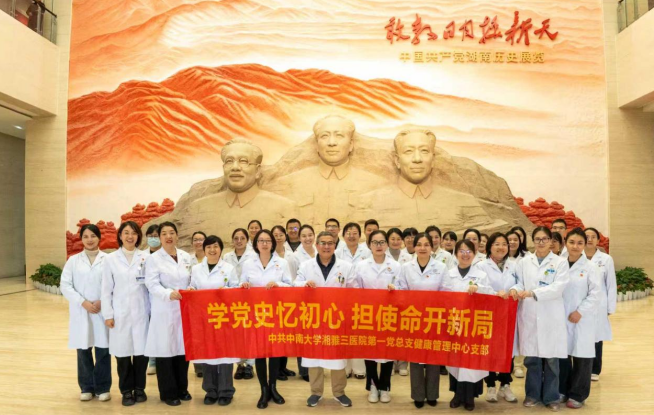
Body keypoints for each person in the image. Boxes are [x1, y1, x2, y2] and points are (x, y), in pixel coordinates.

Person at [509, 226, 570, 412]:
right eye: (537, 239)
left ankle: (551, 397)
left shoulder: (560, 262)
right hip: (529, 314)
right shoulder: (524, 262)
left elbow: (558, 287)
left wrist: (534, 293)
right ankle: (532, 395)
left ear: (551, 241)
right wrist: (515, 289)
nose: (541, 242)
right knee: (532, 359)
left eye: (545, 239)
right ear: (533, 241)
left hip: (551, 315)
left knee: (552, 360)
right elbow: (519, 282)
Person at [294, 231, 355, 408]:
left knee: (337, 358)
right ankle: (315, 392)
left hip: (337, 319)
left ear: (335, 245)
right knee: (314, 357)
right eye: (323, 243)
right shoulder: (306, 266)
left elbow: (354, 290)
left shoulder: (346, 266)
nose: (326, 246)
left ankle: (339, 392)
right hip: (313, 318)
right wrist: (304, 285)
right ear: (317, 245)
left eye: (330, 243)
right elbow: (295, 284)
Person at [240, 229, 292, 409]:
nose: (264, 243)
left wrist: (278, 285)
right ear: (256, 244)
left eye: (267, 240)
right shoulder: (248, 263)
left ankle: (274, 387)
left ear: (272, 243)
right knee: (260, 352)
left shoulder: (282, 263)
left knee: (275, 352)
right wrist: (244, 285)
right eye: (261, 240)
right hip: (256, 314)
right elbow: (240, 284)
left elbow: (290, 285)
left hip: (276, 313)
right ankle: (264, 389)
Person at [61, 224, 111, 402]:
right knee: (83, 350)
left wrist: (102, 301)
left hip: (102, 310)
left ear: (99, 238)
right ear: (81, 239)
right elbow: (65, 285)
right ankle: (86, 387)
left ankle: (103, 387)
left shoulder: (108, 260)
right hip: (81, 311)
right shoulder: (73, 261)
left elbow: (115, 284)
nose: (90, 240)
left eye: (93, 236)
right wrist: (83, 302)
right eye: (85, 236)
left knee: (103, 350)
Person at [144, 222, 193, 406]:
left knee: (182, 350)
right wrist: (167, 294)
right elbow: (151, 283)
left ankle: (182, 388)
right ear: (160, 238)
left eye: (172, 232)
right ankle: (168, 393)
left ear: (177, 236)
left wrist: (191, 288)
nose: (168, 236)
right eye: (164, 233)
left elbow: (192, 278)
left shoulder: (186, 256)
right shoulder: (154, 259)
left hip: (184, 310)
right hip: (164, 309)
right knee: (165, 352)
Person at [443, 239, 495, 411]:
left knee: (471, 361)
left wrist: (478, 288)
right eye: (461, 251)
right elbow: (442, 296)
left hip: (474, 323)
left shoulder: (481, 275)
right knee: (455, 359)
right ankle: (457, 394)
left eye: (469, 251)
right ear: (456, 253)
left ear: (474, 254)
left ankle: (470, 397)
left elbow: (490, 294)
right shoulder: (449, 273)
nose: (465, 255)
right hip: (454, 322)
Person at [188, 235, 240, 406]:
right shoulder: (196, 269)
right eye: (209, 247)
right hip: (204, 318)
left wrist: (226, 291)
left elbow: (236, 289)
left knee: (225, 354)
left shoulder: (229, 268)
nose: (212, 250)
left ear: (221, 249)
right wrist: (191, 290)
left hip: (223, 317)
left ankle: (226, 391)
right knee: (208, 353)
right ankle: (210, 390)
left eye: (215, 246)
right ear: (204, 250)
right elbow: (193, 286)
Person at [101, 221, 150, 406]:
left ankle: (140, 388)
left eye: (134, 233)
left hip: (141, 312)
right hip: (120, 314)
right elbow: (106, 289)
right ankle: (126, 391)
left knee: (141, 355)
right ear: (120, 236)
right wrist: (108, 314)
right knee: (122, 356)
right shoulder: (110, 259)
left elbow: (150, 286)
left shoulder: (146, 257)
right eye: (126, 233)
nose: (130, 236)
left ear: (138, 236)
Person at [397, 233, 448, 408]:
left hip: (434, 317)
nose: (423, 248)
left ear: (432, 247)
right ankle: (418, 395)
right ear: (414, 247)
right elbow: (401, 289)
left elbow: (446, 291)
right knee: (416, 356)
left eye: (426, 244)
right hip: (414, 317)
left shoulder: (441, 267)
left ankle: (432, 395)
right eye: (419, 244)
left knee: (433, 357)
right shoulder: (406, 267)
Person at [353, 230, 403, 403]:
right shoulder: (361, 266)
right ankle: (373, 385)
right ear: (369, 245)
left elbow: (402, 289)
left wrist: (395, 290)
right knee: (370, 351)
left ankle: (385, 386)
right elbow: (356, 289)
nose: (379, 246)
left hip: (389, 315)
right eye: (375, 242)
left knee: (388, 352)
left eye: (382, 242)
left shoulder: (396, 266)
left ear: (387, 244)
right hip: (368, 315)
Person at [559, 228, 601, 409]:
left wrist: (580, 311)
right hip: (560, 317)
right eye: (571, 242)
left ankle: (578, 394)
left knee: (582, 357)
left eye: (579, 243)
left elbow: (596, 294)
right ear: (565, 243)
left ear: (584, 245)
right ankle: (562, 390)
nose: (575, 246)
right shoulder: (559, 264)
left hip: (582, 319)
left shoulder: (591, 267)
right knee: (562, 356)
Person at [474, 233, 518, 404]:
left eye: (504, 244)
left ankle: (505, 385)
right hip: (489, 313)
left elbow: (521, 282)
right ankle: (491, 385)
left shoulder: (515, 265)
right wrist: (495, 294)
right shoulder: (481, 265)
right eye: (497, 244)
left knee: (508, 350)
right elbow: (479, 286)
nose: (501, 247)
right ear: (489, 246)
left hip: (509, 313)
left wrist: (514, 289)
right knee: (490, 350)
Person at [583, 227, 617, 382]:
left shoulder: (606, 259)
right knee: (581, 335)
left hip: (599, 304)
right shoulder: (576, 257)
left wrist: (610, 307)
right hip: (580, 303)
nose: (589, 239)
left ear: (598, 240)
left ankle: (594, 369)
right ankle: (580, 368)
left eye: (593, 237)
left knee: (596, 336)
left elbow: (611, 284)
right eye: (586, 236)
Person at [337, 222, 369, 379]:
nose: (351, 236)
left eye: (354, 233)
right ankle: (345, 368)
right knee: (344, 333)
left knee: (358, 333)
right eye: (348, 233)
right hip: (342, 298)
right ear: (343, 236)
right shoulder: (337, 252)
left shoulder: (367, 252)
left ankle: (359, 369)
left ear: (360, 235)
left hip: (361, 297)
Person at [223, 228, 256, 380]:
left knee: (249, 333)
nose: (239, 241)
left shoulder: (253, 255)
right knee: (235, 333)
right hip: (232, 299)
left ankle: (249, 364)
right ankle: (239, 364)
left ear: (247, 240)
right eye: (236, 238)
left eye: (242, 238)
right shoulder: (226, 256)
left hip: (249, 298)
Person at [271, 225, 299, 381]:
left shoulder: (291, 256)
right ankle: (276, 369)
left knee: (286, 335)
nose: (278, 237)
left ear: (285, 236)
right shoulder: (269, 255)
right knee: (276, 336)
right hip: (273, 301)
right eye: (275, 235)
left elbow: (294, 276)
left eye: (280, 234)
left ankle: (283, 366)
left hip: (289, 298)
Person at [188, 231, 207, 378]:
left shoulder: (212, 257)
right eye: (195, 240)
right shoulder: (187, 260)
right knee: (196, 335)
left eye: (201, 240)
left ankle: (210, 364)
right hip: (193, 303)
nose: (198, 242)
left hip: (210, 304)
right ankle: (199, 367)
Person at [143, 224, 161, 376]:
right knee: (149, 331)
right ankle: (152, 361)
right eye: (150, 236)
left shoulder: (166, 255)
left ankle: (159, 360)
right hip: (144, 298)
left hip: (162, 299)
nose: (153, 239)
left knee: (160, 330)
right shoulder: (142, 256)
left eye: (156, 236)